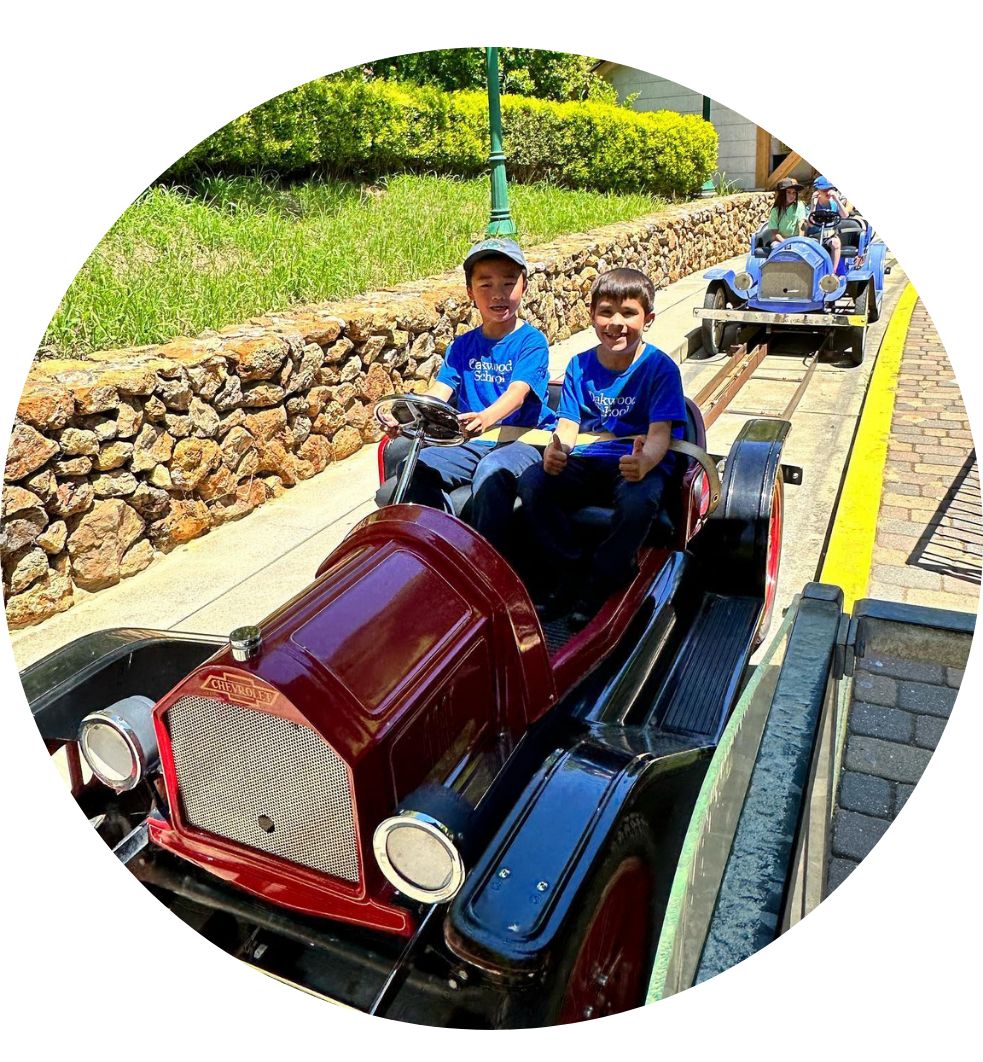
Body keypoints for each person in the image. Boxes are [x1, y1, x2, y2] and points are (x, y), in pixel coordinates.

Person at [517, 268, 686, 630]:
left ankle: (601, 579)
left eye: (628, 313)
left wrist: (645, 462)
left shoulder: (661, 368)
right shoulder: (579, 365)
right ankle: (568, 571)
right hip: (590, 459)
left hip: (635, 462)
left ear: (649, 319)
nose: (616, 323)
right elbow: (568, 424)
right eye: (606, 312)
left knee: (640, 500)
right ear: (592, 316)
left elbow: (659, 433)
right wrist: (556, 450)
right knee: (532, 482)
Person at [384, 238, 556, 555]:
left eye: (508, 283)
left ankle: (492, 568)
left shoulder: (531, 342)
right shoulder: (462, 346)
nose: (498, 293)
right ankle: (441, 549)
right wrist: (407, 417)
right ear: (470, 293)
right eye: (486, 284)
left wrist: (486, 416)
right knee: (414, 465)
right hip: (473, 441)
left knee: (492, 472)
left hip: (522, 440)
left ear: (524, 287)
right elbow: (439, 392)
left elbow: (517, 393)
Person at [807, 175, 849, 273]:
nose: (827, 193)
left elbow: (845, 215)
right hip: (814, 236)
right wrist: (813, 205)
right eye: (824, 191)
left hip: (830, 235)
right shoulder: (812, 206)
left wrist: (837, 200)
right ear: (818, 192)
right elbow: (810, 224)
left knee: (836, 243)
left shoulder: (834, 204)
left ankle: (832, 272)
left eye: (830, 190)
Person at [762, 177, 807, 251]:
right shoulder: (775, 210)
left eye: (794, 193)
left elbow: (801, 225)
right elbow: (774, 231)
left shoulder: (800, 205)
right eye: (788, 192)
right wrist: (784, 242)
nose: (792, 195)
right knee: (779, 250)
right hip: (780, 241)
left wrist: (799, 240)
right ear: (782, 194)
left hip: (796, 239)